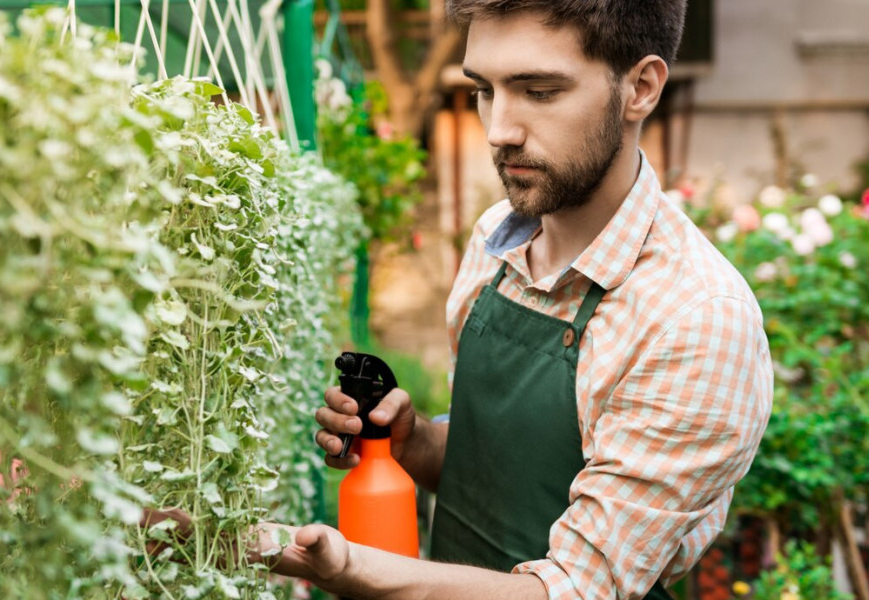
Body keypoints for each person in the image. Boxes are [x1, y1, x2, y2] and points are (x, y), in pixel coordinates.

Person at [272, 1, 774, 598]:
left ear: (640, 87)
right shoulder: (494, 240)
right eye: (485, 90)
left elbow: (574, 589)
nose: (498, 130)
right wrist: (416, 444)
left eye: (538, 91)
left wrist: (354, 569)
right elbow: (498, 471)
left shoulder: (694, 318)